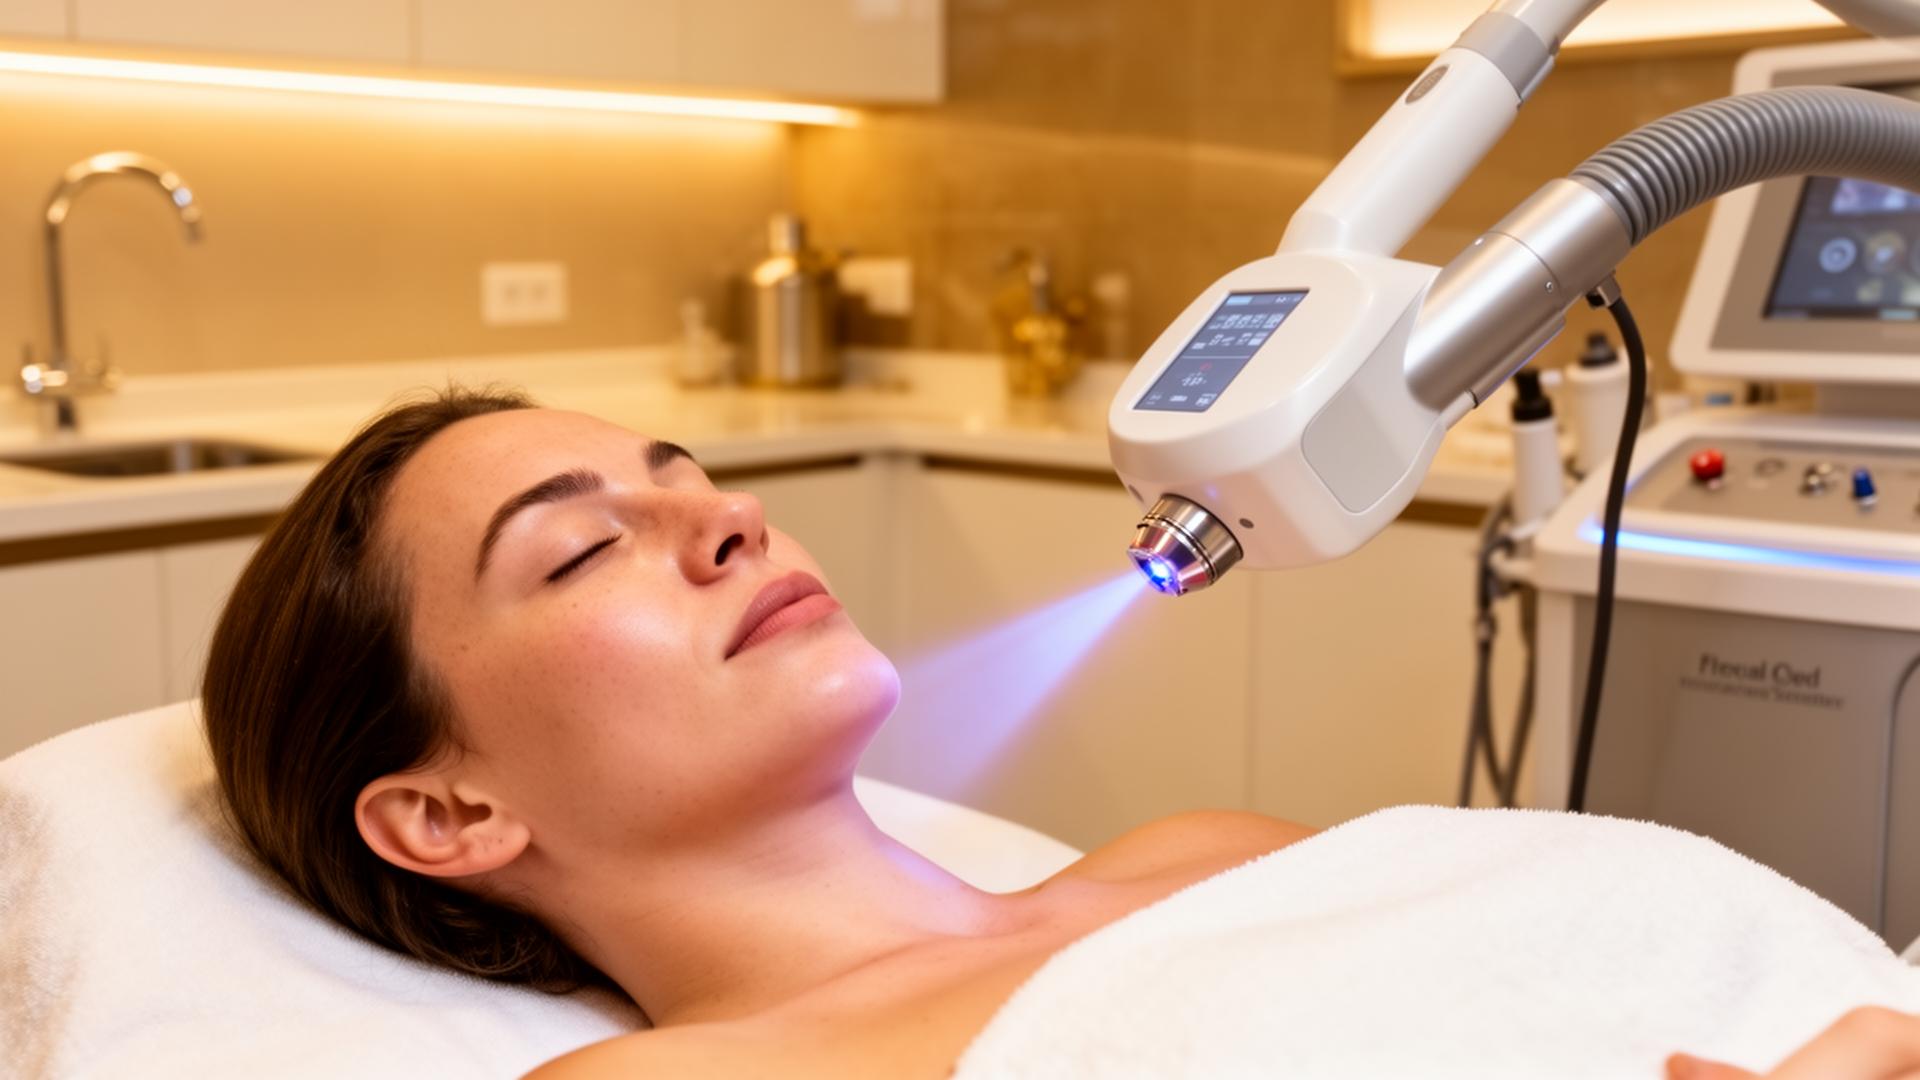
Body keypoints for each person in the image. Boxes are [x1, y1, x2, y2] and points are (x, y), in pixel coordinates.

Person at [201, 389, 1920, 1079]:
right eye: (583, 550)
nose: (726, 522)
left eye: (695, 479)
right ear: (446, 815)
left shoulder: (1200, 854)